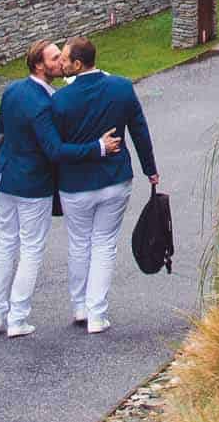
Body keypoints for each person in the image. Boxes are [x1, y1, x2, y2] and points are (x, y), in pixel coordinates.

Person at [0, 39, 124, 338]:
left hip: (3, 179)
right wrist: (97, 148)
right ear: (39, 65)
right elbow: (56, 151)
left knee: (5, 243)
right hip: (31, 184)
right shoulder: (44, 104)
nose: (60, 61)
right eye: (54, 58)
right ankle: (18, 317)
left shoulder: (12, 91)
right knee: (31, 249)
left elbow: (1, 132)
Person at [49, 34, 157, 333]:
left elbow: (54, 147)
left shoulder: (60, 100)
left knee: (79, 244)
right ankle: (97, 313)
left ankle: (80, 307)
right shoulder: (121, 88)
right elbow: (139, 130)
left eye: (65, 59)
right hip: (114, 180)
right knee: (105, 245)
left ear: (78, 63)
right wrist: (150, 169)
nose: (61, 64)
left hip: (75, 185)